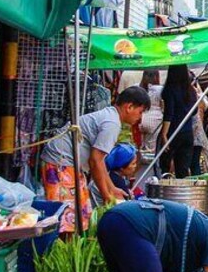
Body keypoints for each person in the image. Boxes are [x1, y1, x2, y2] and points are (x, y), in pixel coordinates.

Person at [41, 86, 150, 233]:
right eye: (140, 111)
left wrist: (112, 188)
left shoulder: (110, 117)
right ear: (129, 107)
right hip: (60, 163)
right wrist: (106, 196)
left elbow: (100, 161)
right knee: (66, 218)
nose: (140, 117)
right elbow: (95, 161)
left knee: (81, 214)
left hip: (67, 163)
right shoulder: (112, 124)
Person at [160, 65, 197, 178]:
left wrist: (164, 134)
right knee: (183, 168)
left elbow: (169, 114)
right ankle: (182, 193)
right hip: (187, 132)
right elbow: (194, 111)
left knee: (165, 165)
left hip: (173, 132)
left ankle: (165, 189)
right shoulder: (191, 90)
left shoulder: (170, 89)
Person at [139, 70, 164, 153]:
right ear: (156, 77)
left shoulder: (139, 88)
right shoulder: (160, 89)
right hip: (155, 120)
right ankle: (149, 165)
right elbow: (162, 105)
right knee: (151, 150)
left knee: (139, 147)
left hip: (141, 119)